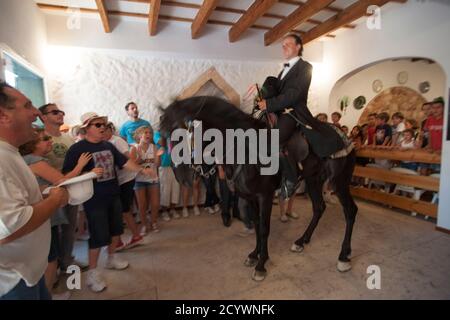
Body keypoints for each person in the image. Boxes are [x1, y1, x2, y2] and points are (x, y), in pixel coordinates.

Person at [62, 112, 155, 293]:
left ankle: (111, 258)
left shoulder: (108, 146)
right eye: (97, 125)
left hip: (113, 194)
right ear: (86, 128)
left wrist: (143, 171)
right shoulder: (77, 149)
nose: (102, 127)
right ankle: (93, 273)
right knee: (97, 236)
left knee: (116, 230)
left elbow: (125, 162)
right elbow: (66, 176)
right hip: (94, 199)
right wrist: (86, 172)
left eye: (103, 124)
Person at [253, 34, 344, 198]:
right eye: (282, 45)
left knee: (275, 140)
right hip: (280, 110)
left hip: (293, 111)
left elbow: (295, 94)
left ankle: (291, 179)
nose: (284, 47)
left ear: (298, 47)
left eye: (288, 44)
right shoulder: (283, 70)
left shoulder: (305, 67)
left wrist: (271, 104)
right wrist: (266, 103)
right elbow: (279, 92)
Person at [0, 82, 68, 300]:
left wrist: (43, 192)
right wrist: (55, 198)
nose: (36, 113)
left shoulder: (10, 153)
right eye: (27, 105)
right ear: (3, 116)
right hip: (14, 280)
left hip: (28, 272)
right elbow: (8, 227)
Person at [19, 128, 99, 299]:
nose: (50, 141)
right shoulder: (35, 160)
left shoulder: (25, 160)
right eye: (44, 139)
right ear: (32, 144)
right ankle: (49, 294)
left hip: (36, 212)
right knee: (50, 258)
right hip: (45, 215)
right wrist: (82, 167)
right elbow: (62, 180)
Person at [39, 103, 81, 272]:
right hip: (50, 191)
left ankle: (67, 261)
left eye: (61, 111)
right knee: (53, 231)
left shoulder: (67, 138)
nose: (60, 114)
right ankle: (53, 267)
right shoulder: (40, 139)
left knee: (70, 227)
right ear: (43, 117)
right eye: (54, 112)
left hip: (70, 188)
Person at [104, 122, 144, 250]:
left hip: (125, 179)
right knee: (120, 211)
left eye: (104, 128)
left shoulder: (117, 141)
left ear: (110, 130)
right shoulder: (106, 143)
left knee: (124, 210)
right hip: (118, 180)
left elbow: (127, 159)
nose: (102, 131)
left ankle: (134, 236)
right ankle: (120, 241)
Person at [130, 125, 162, 235]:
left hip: (153, 179)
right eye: (146, 133)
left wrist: (159, 156)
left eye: (150, 133)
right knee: (142, 205)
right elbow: (132, 165)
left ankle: (153, 222)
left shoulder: (154, 147)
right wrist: (139, 158)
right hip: (139, 180)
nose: (149, 135)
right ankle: (144, 225)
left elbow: (157, 165)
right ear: (139, 135)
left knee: (155, 204)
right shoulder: (134, 148)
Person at [154, 130, 181, 221]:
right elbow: (161, 142)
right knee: (165, 190)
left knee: (175, 188)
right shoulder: (157, 134)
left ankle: (172, 209)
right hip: (163, 166)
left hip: (174, 166)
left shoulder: (173, 134)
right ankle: (164, 211)